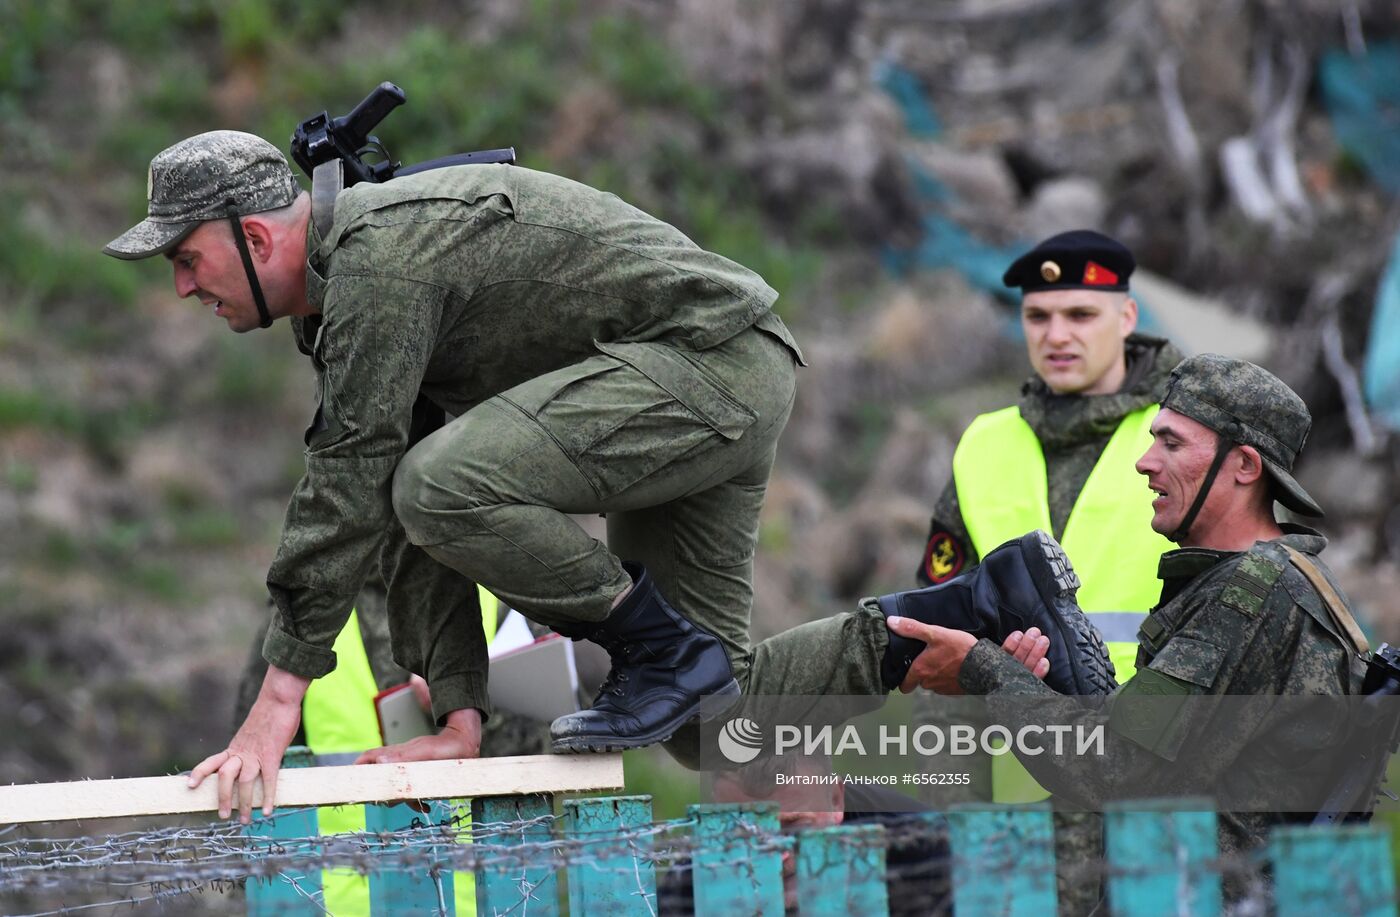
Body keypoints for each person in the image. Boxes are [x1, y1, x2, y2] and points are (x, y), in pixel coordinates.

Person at [104, 130, 802, 821]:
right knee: (706, 724)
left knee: (438, 484)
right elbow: (383, 488)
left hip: (714, 362)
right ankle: (896, 639)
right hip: (718, 375)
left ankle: (663, 651)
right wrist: (458, 717)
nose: (182, 285)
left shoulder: (376, 264)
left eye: (188, 258)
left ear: (255, 240)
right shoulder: (342, 295)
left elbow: (352, 479)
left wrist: (278, 699)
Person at [890, 354, 1366, 863]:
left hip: (1195, 889)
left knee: (869, 828)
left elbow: (1117, 773)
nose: (1145, 461)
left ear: (1245, 466)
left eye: (1172, 443)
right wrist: (1033, 683)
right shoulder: (1270, 579)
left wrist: (983, 670)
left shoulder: (1251, 595)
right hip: (1183, 877)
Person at [919, 230, 1181, 687]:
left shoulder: (1184, 433)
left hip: (1154, 743)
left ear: (1127, 318)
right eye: (1038, 317)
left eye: (1080, 315)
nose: (1056, 336)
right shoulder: (985, 442)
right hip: (1019, 749)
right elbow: (942, 630)